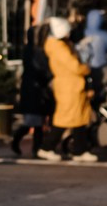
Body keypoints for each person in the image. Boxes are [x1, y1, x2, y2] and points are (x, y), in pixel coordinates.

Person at [43, 14, 96, 161]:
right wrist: (86, 68)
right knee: (65, 119)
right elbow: (74, 66)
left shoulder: (61, 45)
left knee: (79, 119)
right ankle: (47, 147)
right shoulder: (58, 48)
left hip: (73, 86)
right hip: (69, 87)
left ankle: (79, 150)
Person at [11, 23, 54, 158]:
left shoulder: (31, 50)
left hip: (34, 89)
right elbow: (40, 70)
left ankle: (35, 147)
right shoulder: (35, 51)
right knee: (34, 121)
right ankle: (26, 144)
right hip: (35, 90)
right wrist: (48, 76)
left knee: (37, 122)